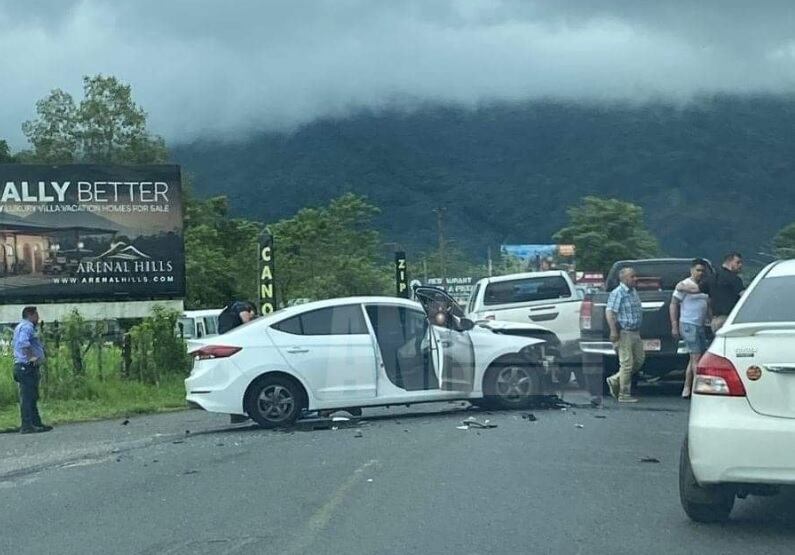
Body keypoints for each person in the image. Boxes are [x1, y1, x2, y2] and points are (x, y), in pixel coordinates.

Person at [670, 259, 710, 398]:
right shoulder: (684, 284)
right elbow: (673, 304)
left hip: (700, 325)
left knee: (694, 357)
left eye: (703, 271)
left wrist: (709, 319)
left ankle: (687, 387)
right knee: (696, 356)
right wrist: (674, 325)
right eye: (698, 270)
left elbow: (708, 304)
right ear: (692, 270)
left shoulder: (704, 286)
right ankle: (697, 389)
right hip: (687, 324)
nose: (700, 273)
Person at [605, 267, 644, 403]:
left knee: (639, 360)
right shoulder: (618, 293)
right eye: (632, 277)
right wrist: (613, 331)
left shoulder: (633, 292)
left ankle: (615, 379)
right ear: (624, 278)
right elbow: (610, 312)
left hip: (635, 332)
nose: (635, 279)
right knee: (627, 364)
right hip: (624, 332)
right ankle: (624, 394)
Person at [678, 252, 744, 332]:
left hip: (715, 321)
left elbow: (695, 289)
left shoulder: (712, 277)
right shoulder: (734, 279)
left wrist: (681, 287)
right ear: (729, 262)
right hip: (729, 319)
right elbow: (744, 296)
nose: (740, 265)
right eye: (738, 262)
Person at [12, 306, 52, 434]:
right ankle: (27, 425)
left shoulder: (21, 326)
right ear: (30, 315)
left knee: (32, 396)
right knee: (28, 397)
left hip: (23, 367)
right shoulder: (27, 327)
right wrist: (32, 357)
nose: (38, 318)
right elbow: (24, 343)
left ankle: (35, 423)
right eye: (36, 315)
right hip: (26, 366)